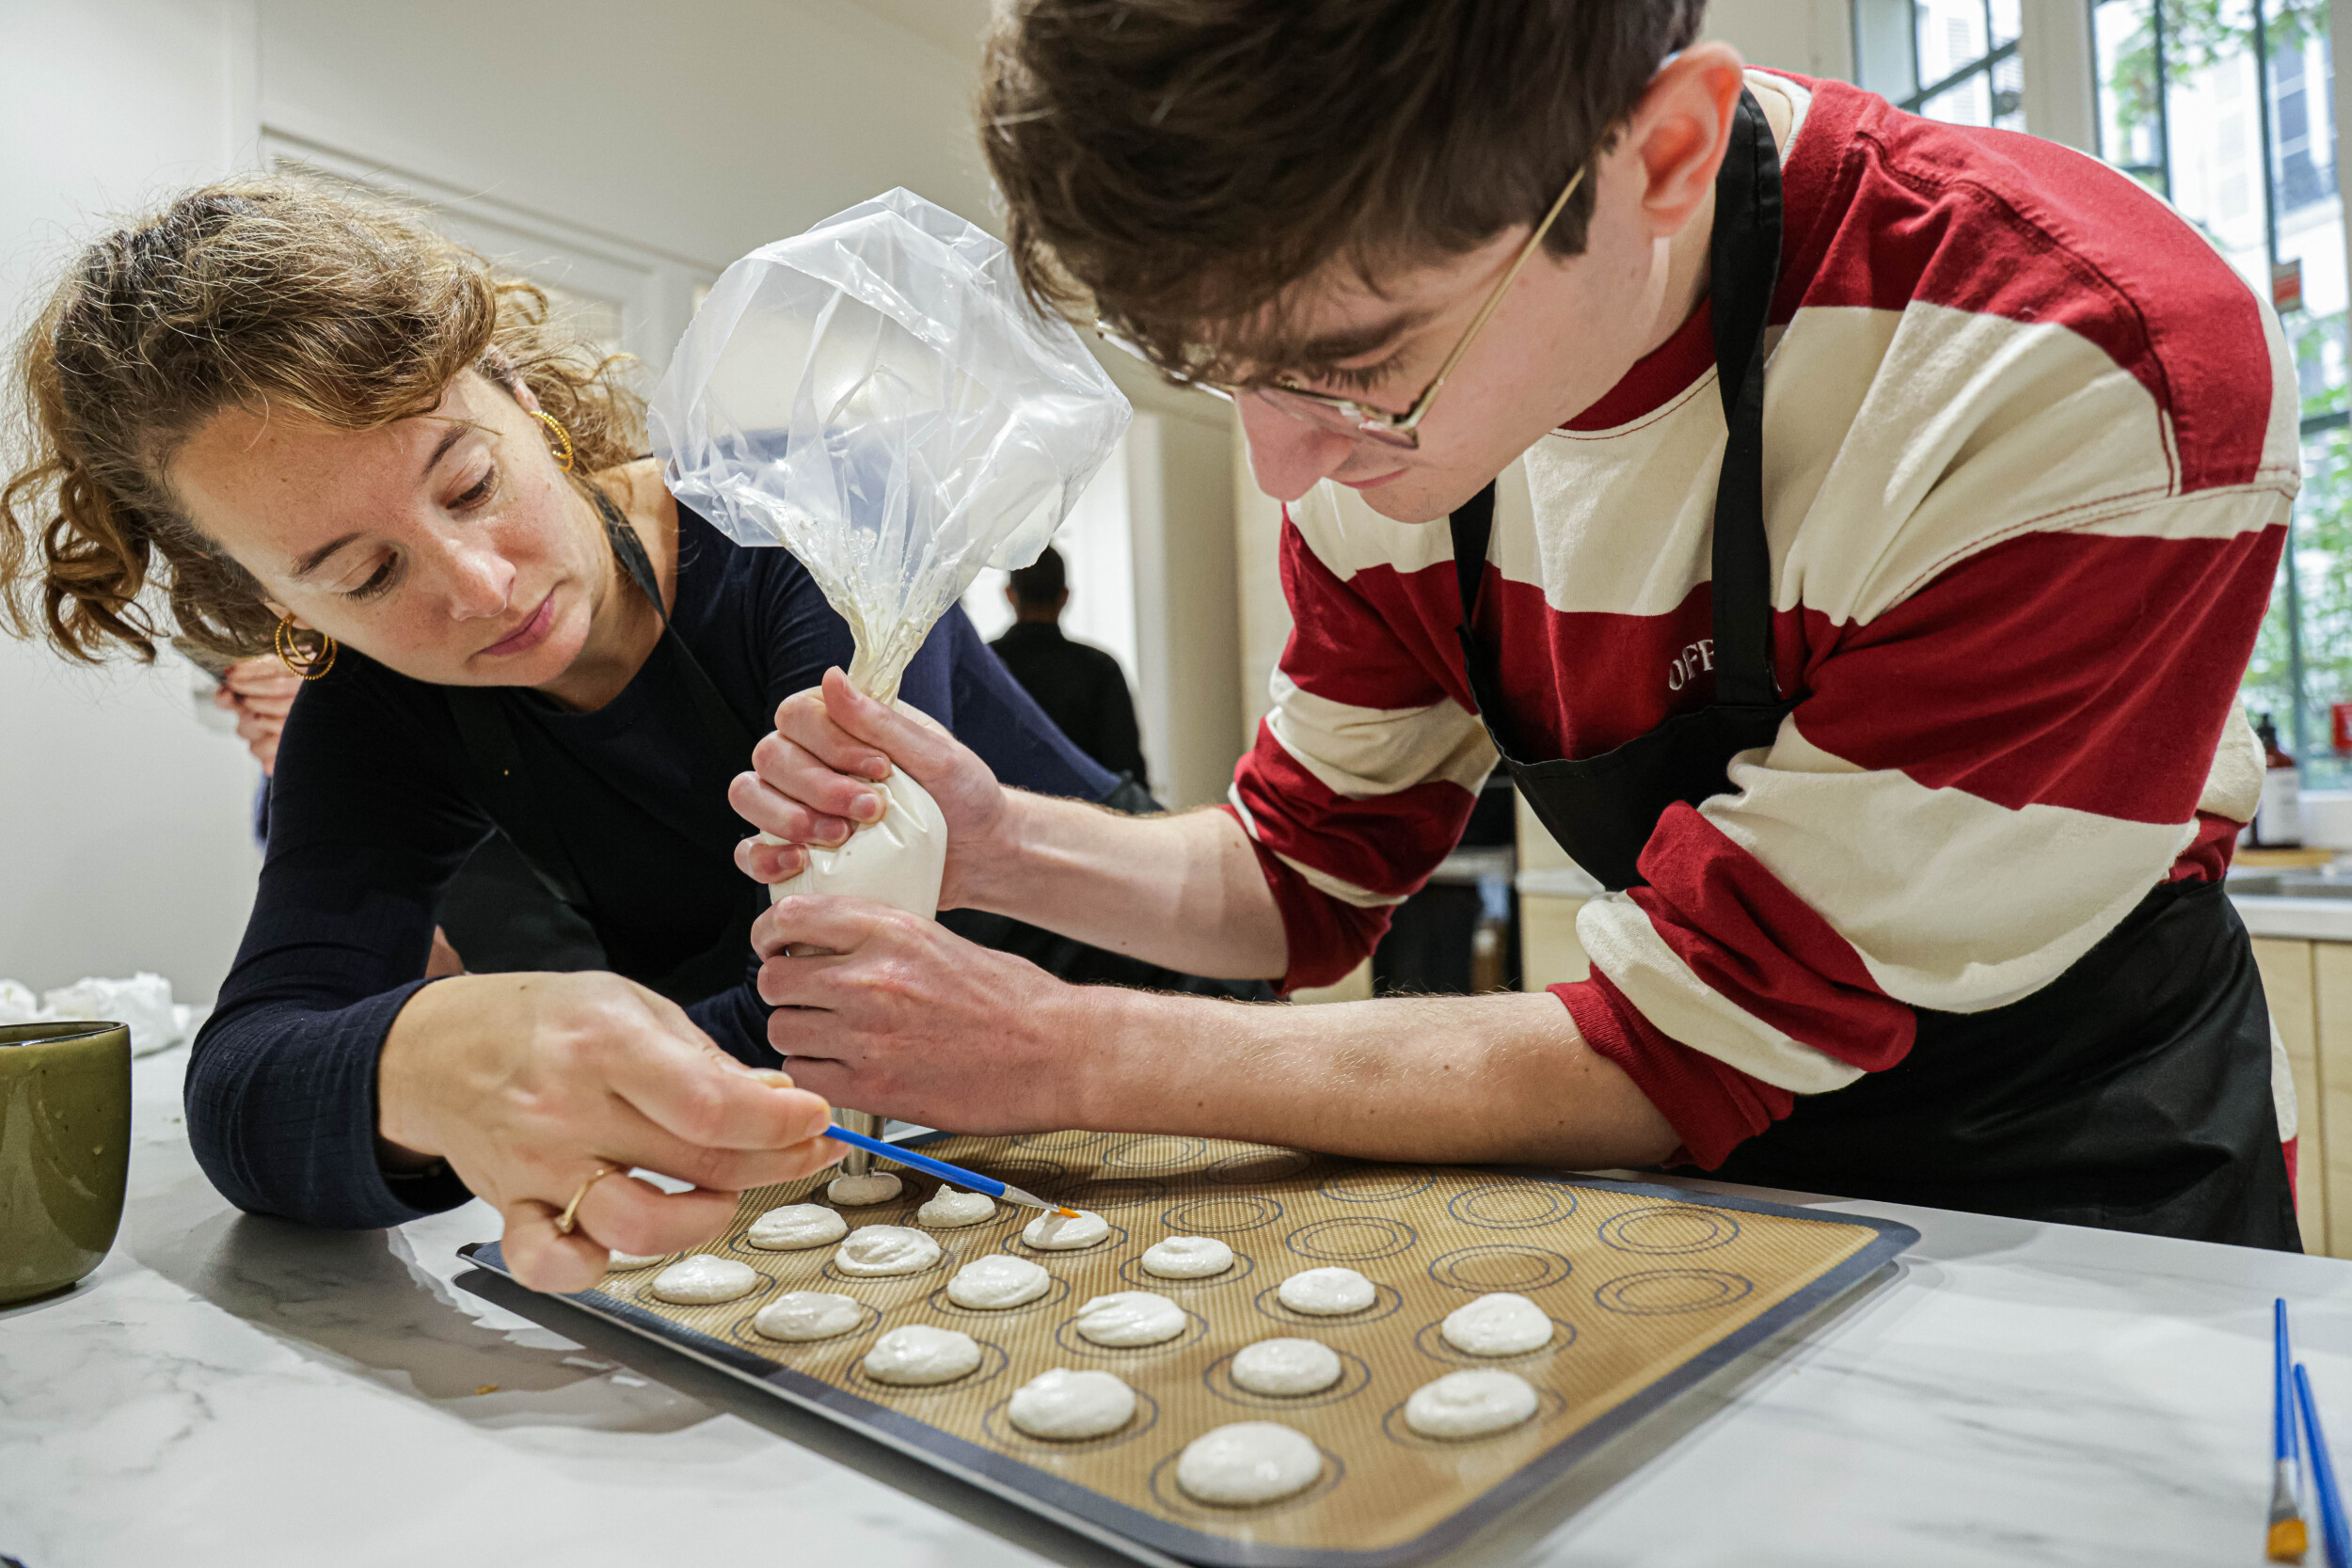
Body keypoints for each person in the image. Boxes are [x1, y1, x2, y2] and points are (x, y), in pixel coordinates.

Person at [734, 0, 2303, 1248]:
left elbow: (1692, 1033)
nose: (1283, 467)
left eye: (1353, 361)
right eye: (1217, 372)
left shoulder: (2072, 371)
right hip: (1708, 1189)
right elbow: (1301, 877)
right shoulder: (1375, 447)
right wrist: (1005, 837)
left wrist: (1068, 1054)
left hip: (2071, 1176)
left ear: (1665, 153)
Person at [0, 176, 1159, 1291]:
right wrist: (437, 1061)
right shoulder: (380, 706)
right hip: (881, 1150)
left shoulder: (792, 529)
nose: (482, 585)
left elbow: (842, 986)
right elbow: (247, 1085)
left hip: (1153, 1047)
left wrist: (555, 1073)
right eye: (360, 573)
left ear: (521, 397)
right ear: (269, 603)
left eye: (467, 485)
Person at [989, 546, 1148, 784]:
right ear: (1064, 597)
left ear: (1009, 594)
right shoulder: (1101, 669)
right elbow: (1126, 770)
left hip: (995, 814)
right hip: (1084, 815)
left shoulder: (986, 665)